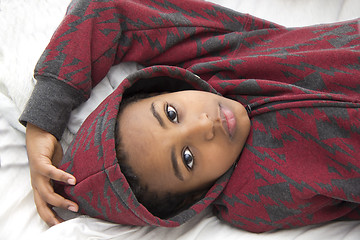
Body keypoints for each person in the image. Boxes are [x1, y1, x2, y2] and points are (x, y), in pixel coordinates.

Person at [21, 0, 360, 233]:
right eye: (187, 158)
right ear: (197, 196)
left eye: (171, 113)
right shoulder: (253, 204)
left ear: (165, 89)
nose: (203, 126)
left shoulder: (222, 55)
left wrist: (45, 116)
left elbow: (112, 11)